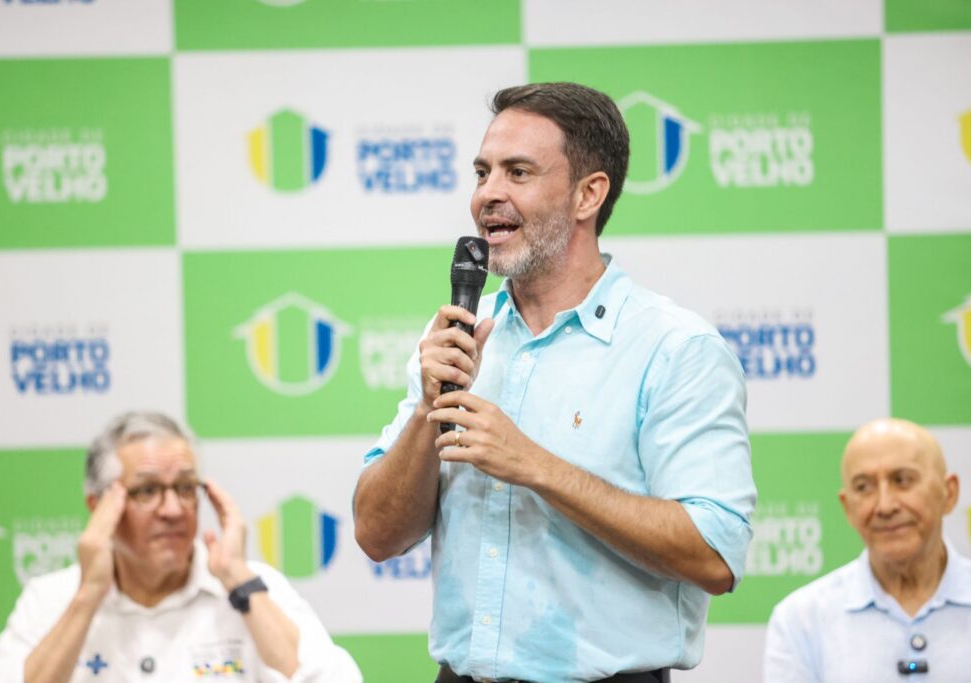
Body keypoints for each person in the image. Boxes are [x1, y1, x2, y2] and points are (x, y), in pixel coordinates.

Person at [353, 82, 756, 682]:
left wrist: (535, 465)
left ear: (588, 194)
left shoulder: (674, 348)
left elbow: (715, 554)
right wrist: (424, 416)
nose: (488, 195)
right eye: (483, 173)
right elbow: (376, 534)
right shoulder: (460, 339)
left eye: (517, 172)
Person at [0, 411, 361, 683]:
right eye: (147, 491)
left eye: (185, 488)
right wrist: (89, 595)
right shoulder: (52, 598)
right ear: (99, 507)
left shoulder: (252, 587)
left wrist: (240, 581)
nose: (173, 510)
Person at [764, 418, 970, 683]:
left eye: (902, 481)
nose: (885, 506)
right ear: (847, 506)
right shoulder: (802, 620)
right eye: (864, 487)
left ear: (949, 493)